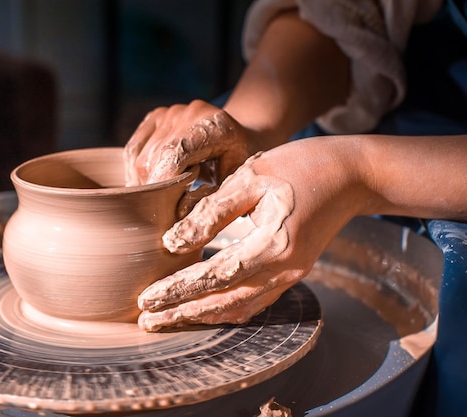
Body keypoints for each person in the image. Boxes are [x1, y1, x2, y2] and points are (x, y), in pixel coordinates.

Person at [123, 1, 467, 416]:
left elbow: (352, 168)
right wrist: (248, 124)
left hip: (443, 158)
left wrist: (360, 173)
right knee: (205, 162)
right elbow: (350, 14)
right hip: (357, 106)